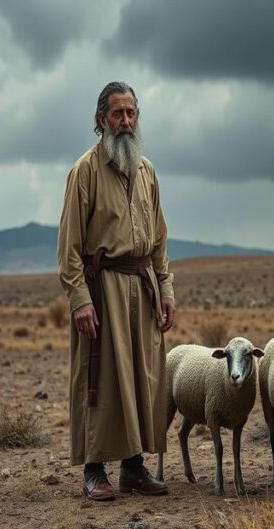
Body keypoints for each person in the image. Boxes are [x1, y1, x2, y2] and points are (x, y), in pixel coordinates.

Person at [57, 81, 176, 501]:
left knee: (142, 379)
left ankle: (133, 468)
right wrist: (80, 299)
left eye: (131, 114)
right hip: (102, 290)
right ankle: (94, 471)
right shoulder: (84, 171)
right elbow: (69, 246)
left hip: (141, 288)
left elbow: (159, 241)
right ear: (100, 119)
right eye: (117, 114)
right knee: (102, 379)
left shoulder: (147, 172)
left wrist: (166, 290)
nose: (125, 122)